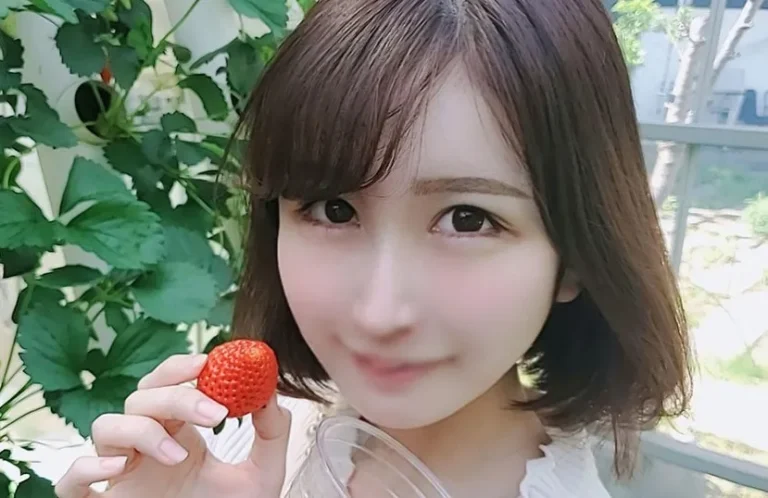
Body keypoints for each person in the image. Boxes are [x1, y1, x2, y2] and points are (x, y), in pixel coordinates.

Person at [54, 0, 692, 496]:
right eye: (333, 209)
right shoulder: (236, 447)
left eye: (468, 219)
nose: (378, 314)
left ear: (576, 252)